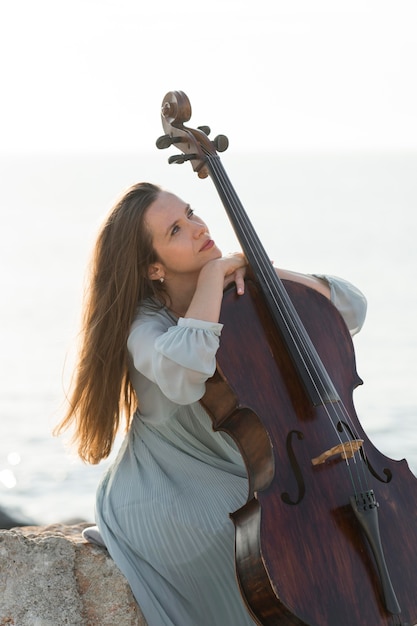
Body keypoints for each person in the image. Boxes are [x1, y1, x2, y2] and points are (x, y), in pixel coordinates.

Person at [56, 182, 367, 626]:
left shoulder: (239, 294)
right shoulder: (142, 327)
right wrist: (211, 276)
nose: (199, 227)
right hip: (165, 491)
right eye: (177, 230)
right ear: (153, 269)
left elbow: (351, 309)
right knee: (254, 539)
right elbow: (186, 373)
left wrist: (264, 273)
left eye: (192, 212)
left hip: (247, 474)